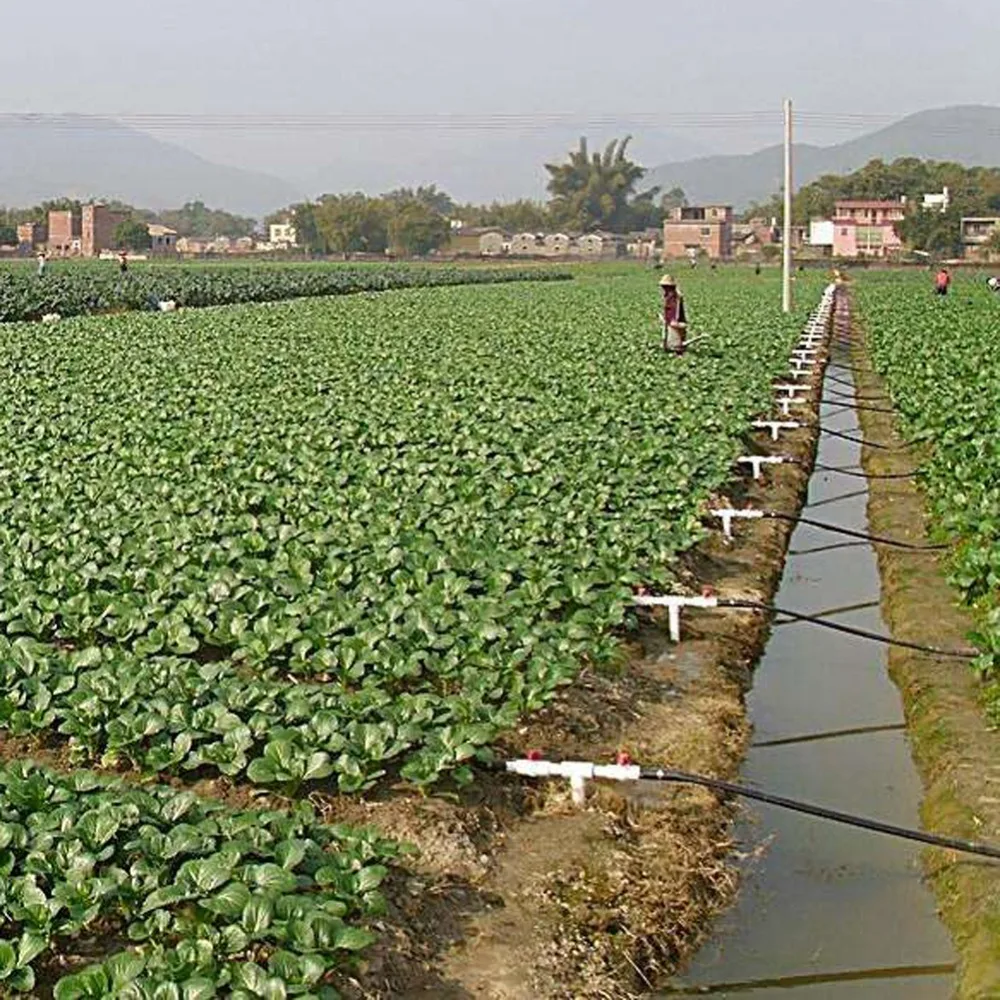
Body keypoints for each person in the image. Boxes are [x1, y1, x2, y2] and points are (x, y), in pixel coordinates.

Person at [660, 274, 688, 354]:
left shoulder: (675, 296)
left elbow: (676, 309)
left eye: (665, 286)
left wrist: (674, 320)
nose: (664, 288)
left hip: (674, 321)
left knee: (676, 342)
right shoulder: (668, 295)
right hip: (669, 321)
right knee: (668, 338)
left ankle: (677, 351)